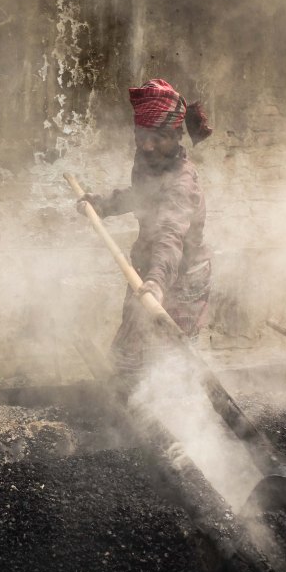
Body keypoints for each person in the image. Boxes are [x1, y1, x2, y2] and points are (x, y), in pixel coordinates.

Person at [77, 78, 213, 376]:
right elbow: (141, 195)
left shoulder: (182, 183)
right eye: (141, 136)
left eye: (158, 137)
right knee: (127, 357)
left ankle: (178, 402)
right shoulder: (148, 160)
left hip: (180, 277)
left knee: (172, 362)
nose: (147, 145)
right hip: (148, 271)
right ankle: (124, 398)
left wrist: (156, 281)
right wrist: (103, 204)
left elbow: (170, 235)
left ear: (177, 135)